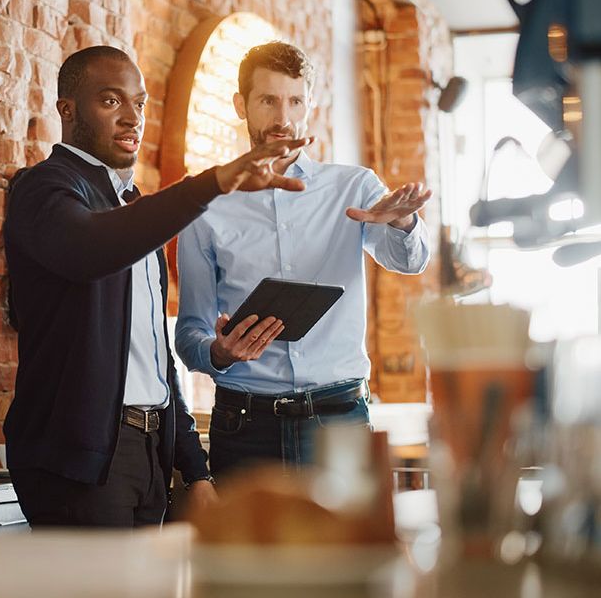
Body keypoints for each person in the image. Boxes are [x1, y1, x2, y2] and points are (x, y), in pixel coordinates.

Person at [2, 46, 311, 528]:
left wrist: (194, 468)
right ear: (67, 110)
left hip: (147, 456)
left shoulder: (131, 205)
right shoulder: (42, 188)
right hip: (79, 466)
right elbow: (89, 249)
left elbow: (153, 357)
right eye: (111, 102)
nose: (132, 118)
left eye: (140, 104)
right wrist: (211, 184)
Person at [175, 42, 432, 476]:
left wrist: (403, 223)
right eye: (268, 101)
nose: (283, 118)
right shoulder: (208, 202)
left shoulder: (354, 187)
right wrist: (218, 352)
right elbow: (190, 334)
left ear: (308, 104)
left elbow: (411, 262)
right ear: (241, 105)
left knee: (348, 547)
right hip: (245, 426)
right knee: (244, 548)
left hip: (339, 421)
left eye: (295, 101)